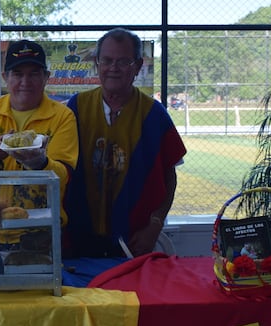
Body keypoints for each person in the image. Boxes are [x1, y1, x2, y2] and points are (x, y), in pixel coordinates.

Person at [65, 28, 187, 258]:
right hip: (77, 236)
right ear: (96, 64)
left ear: (138, 66)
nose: (113, 68)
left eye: (123, 61)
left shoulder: (154, 114)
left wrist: (155, 225)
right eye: (107, 61)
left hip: (134, 239)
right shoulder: (76, 108)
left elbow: (169, 176)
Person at [0, 39, 78, 240]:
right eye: (18, 74)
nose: (25, 82)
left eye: (34, 74)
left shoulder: (63, 116)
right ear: (5, 77)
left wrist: (40, 163)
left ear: (46, 77)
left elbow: (64, 177)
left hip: (41, 230)